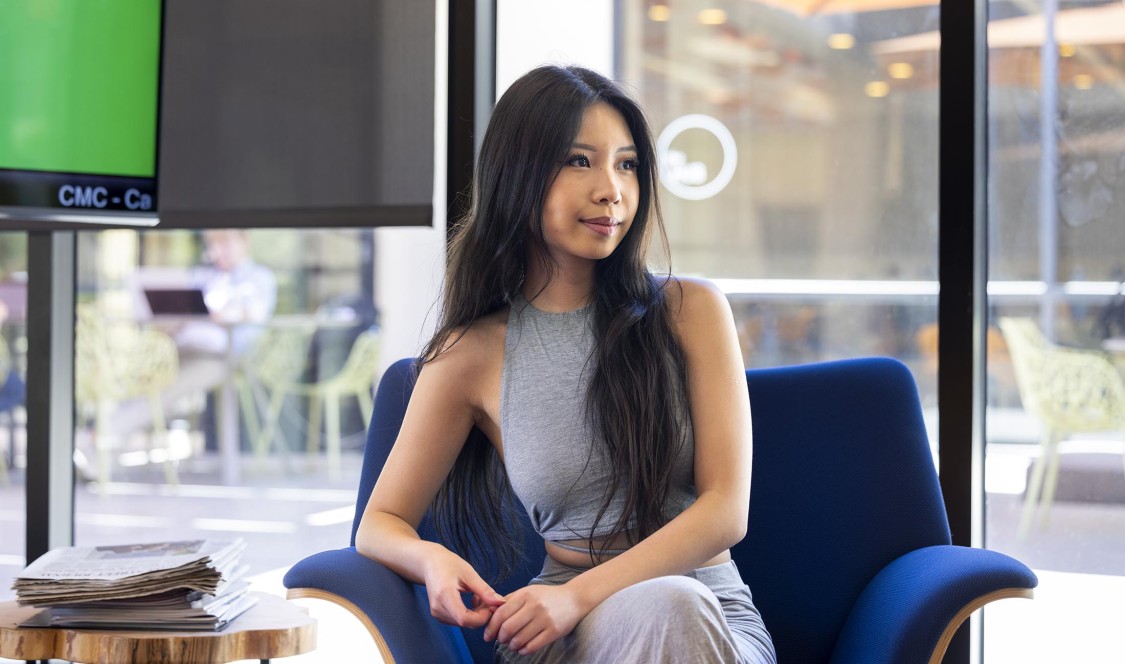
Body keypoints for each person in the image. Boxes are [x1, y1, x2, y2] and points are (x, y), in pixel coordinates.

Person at [356, 65, 776, 663]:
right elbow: (381, 521)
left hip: (710, 612)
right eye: (580, 161)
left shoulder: (692, 311)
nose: (612, 189)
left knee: (675, 606)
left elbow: (725, 513)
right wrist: (433, 559)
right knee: (671, 606)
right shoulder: (472, 353)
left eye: (627, 164)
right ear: (518, 176)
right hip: (563, 634)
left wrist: (578, 596)